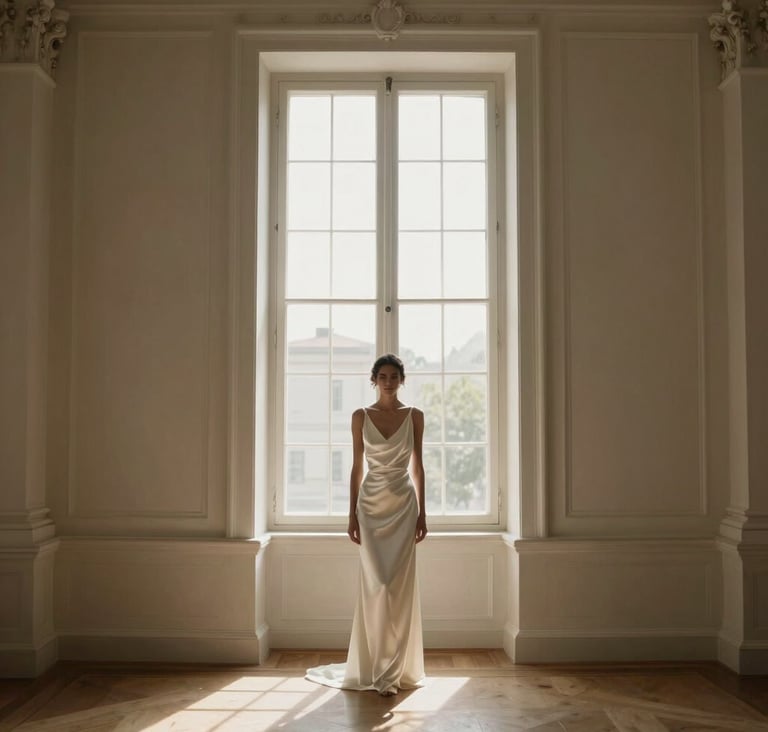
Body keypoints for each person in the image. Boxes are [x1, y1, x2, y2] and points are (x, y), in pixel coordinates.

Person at [306, 353, 428, 696]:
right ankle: (376, 666)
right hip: (371, 507)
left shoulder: (414, 416)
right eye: (383, 376)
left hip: (404, 505)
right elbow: (357, 467)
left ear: (401, 380)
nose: (388, 382)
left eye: (394, 376)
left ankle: (395, 670)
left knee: (397, 589)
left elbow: (418, 467)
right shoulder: (361, 416)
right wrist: (351, 515)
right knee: (378, 586)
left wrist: (423, 513)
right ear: (374, 380)